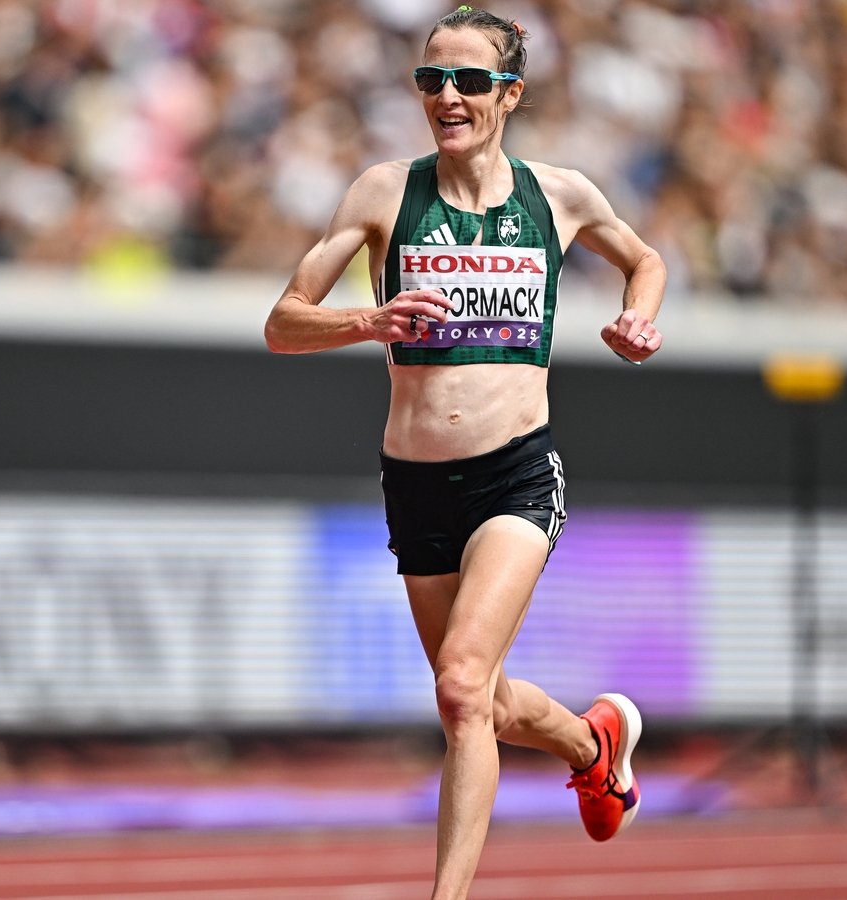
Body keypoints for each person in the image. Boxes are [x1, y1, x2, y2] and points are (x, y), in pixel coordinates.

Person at [263, 6, 665, 897]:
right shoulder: (383, 192)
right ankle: (591, 744)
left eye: (470, 80)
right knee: (478, 698)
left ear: (509, 94)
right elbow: (283, 324)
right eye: (431, 79)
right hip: (416, 483)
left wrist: (638, 318)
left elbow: (645, 260)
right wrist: (368, 320)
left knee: (459, 688)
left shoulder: (559, 196)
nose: (448, 96)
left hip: (516, 473)